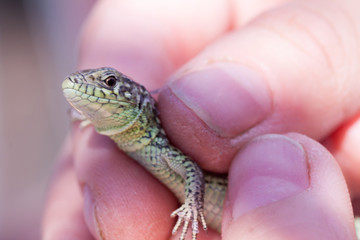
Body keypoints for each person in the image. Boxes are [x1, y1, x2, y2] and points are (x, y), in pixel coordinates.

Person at [42, 0, 360, 239]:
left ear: (136, 99)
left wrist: (193, 206)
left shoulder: (157, 143)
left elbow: (191, 169)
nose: (93, 88)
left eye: (109, 83)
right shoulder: (120, 133)